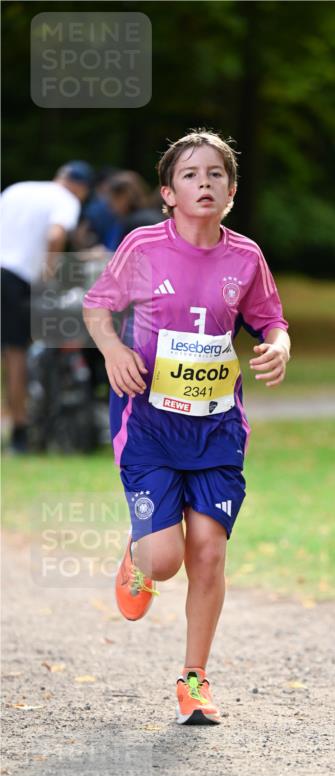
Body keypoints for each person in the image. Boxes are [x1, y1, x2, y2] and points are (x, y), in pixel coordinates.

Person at [82, 129, 291, 726]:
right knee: (167, 558)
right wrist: (111, 352)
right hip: (147, 421)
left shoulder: (245, 257)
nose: (205, 183)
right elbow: (98, 307)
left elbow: (270, 321)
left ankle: (194, 680)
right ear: (169, 192)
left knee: (208, 552)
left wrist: (279, 346)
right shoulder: (144, 246)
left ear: (230, 191)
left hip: (217, 427)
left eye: (216, 175)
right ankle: (139, 554)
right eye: (191, 175)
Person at [1, 160, 94, 452]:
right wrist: (49, 272)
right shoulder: (65, 200)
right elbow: (55, 235)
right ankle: (19, 431)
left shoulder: (18, 189)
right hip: (14, 278)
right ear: (81, 189)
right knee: (16, 353)